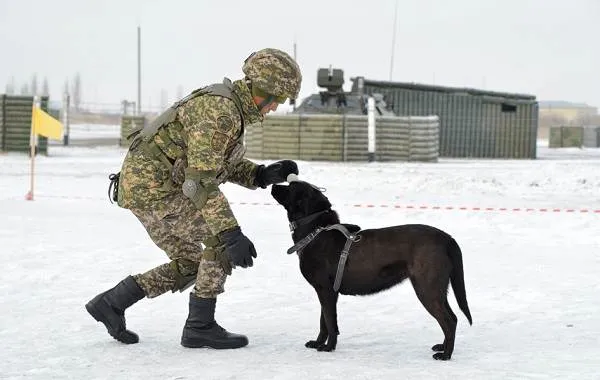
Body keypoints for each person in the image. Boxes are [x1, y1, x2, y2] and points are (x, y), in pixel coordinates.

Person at [85, 48, 302, 349]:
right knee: (219, 245)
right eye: (276, 100)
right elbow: (199, 183)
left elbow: (215, 164)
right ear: (262, 90)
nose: (275, 107)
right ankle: (200, 327)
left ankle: (111, 302)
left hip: (148, 187)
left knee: (192, 263)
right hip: (155, 189)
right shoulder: (220, 112)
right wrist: (231, 234)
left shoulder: (230, 108)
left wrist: (262, 174)